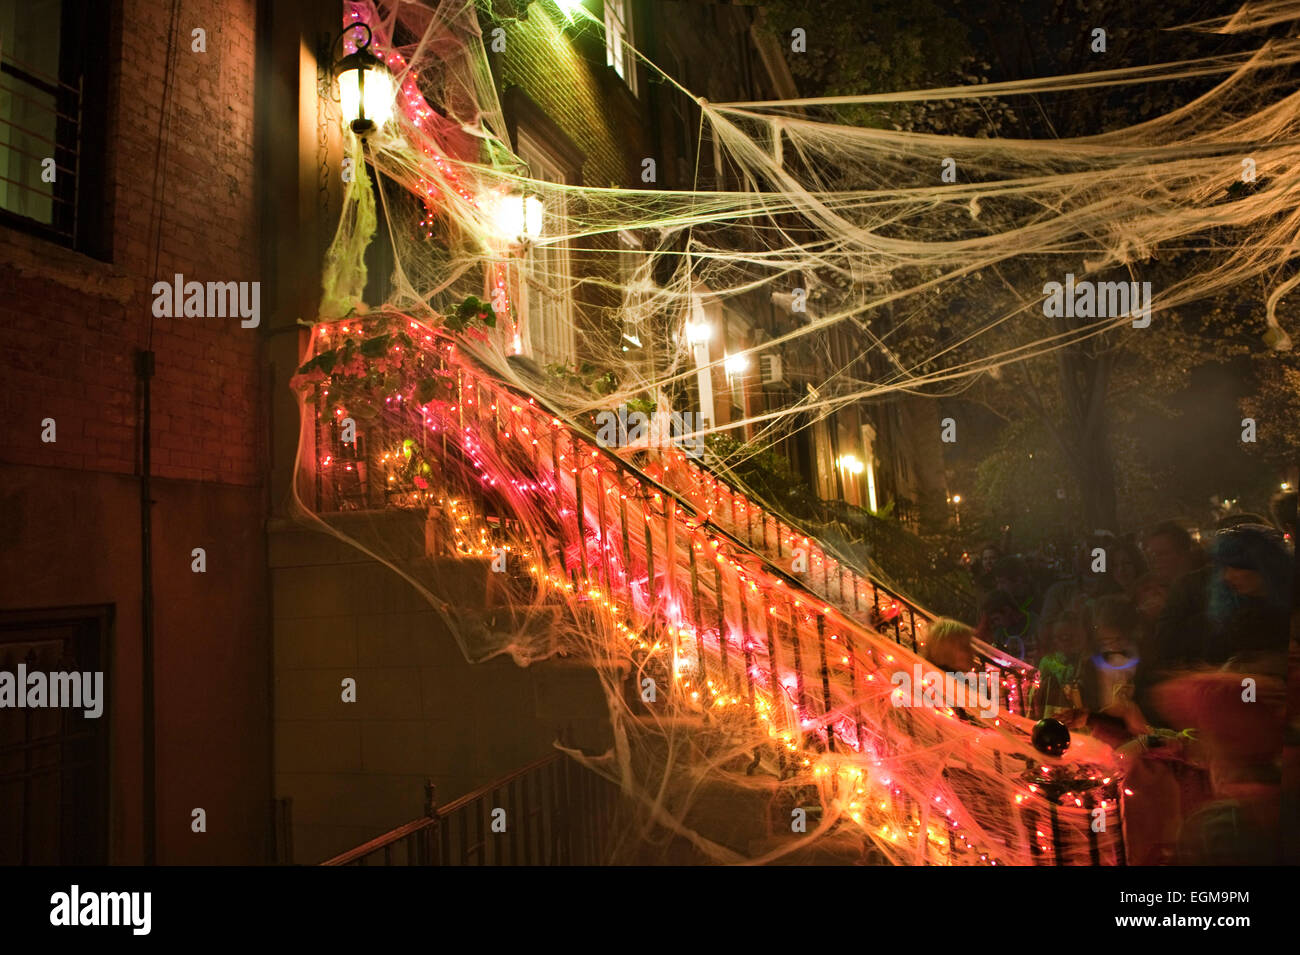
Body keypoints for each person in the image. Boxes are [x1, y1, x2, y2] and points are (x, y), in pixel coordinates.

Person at [977, 589, 1037, 662]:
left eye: (996, 619)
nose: (996, 624)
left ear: (1007, 610)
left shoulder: (1036, 623)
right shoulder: (999, 635)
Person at [1141, 521, 1202, 586]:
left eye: (1163, 553)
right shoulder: (1153, 589)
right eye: (1152, 554)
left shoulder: (1207, 587)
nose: (1155, 559)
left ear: (1184, 554)